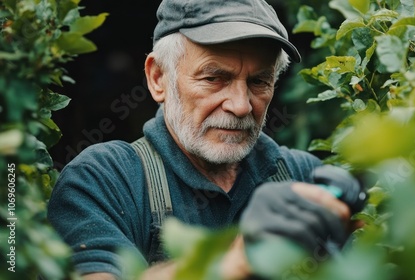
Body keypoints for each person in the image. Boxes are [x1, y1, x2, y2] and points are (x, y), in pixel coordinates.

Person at [47, 0, 361, 279]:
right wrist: (235, 259)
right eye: (214, 78)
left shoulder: (303, 176)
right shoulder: (102, 180)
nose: (240, 105)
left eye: (259, 81)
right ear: (158, 78)